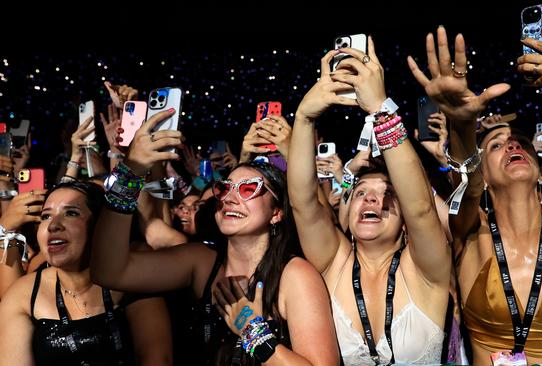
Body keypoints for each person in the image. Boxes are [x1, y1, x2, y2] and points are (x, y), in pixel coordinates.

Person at [407, 27, 542, 365]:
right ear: (486, 175)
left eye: (520, 142)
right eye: (496, 145)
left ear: (538, 169)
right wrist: (463, 126)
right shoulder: (470, 230)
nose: (511, 144)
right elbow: (468, 188)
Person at [90, 110, 338, 365]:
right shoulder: (202, 262)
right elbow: (108, 271)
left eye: (248, 188)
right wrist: (130, 172)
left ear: (276, 213)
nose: (230, 197)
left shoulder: (295, 275)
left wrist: (253, 332)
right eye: (224, 188)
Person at [289, 37, 451, 365]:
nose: (372, 199)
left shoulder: (425, 269)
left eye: (388, 193)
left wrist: (380, 109)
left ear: (404, 220)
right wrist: (304, 117)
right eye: (361, 192)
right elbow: (304, 203)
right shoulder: (332, 262)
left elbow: (421, 208)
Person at [0, 181, 172, 365]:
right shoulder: (22, 294)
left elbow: (157, 358)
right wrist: (4, 230)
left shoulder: (134, 274)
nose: (53, 225)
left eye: (71, 213)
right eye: (46, 216)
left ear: (102, 226)